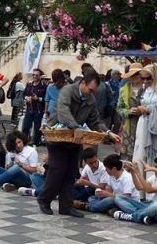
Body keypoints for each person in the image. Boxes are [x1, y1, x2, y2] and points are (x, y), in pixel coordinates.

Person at [38, 70, 121, 217]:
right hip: (58, 137)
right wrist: (75, 126)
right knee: (57, 170)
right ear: (82, 83)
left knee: (71, 173)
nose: (91, 93)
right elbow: (63, 111)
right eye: (90, 90)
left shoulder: (91, 99)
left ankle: (66, 206)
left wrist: (108, 132)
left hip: (75, 139)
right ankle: (44, 199)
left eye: (94, 91)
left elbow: (95, 120)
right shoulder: (67, 91)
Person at [113, 156, 157, 224]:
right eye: (154, 167)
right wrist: (133, 172)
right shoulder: (155, 177)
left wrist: (138, 172)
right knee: (119, 197)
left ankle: (132, 216)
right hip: (148, 205)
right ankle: (142, 216)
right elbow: (139, 187)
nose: (154, 169)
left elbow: (149, 190)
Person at [132, 63, 157, 165]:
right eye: (142, 78)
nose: (145, 81)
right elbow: (139, 104)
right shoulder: (142, 90)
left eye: (148, 78)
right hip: (143, 124)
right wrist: (138, 110)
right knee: (141, 151)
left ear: (155, 76)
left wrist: (150, 109)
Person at [116, 63, 144, 159]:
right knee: (127, 156)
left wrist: (143, 110)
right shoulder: (124, 89)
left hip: (144, 125)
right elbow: (119, 108)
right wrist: (128, 112)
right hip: (128, 127)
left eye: (136, 75)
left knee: (141, 155)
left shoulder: (147, 89)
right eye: (132, 75)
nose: (133, 77)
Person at [21, 68, 47, 146]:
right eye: (33, 75)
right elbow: (23, 94)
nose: (35, 76)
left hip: (38, 110)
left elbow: (46, 99)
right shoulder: (29, 84)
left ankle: (36, 142)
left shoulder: (44, 86)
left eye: (37, 75)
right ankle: (24, 141)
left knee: (37, 128)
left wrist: (38, 98)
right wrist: (26, 98)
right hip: (29, 109)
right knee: (26, 127)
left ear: (40, 76)